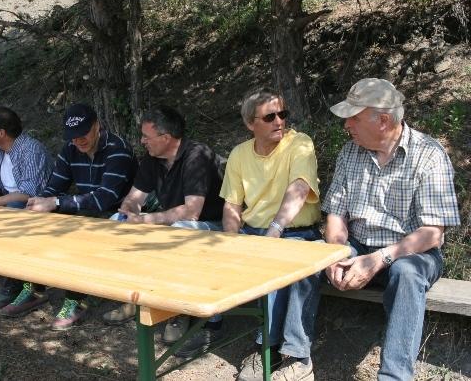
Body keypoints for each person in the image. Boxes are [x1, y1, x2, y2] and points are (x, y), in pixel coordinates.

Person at [238, 78, 460, 381]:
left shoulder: (429, 154)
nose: (346, 125)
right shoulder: (350, 152)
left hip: (409, 252)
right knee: (308, 258)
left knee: (407, 274)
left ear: (383, 120)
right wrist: (335, 253)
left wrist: (380, 258)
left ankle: (394, 376)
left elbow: (433, 232)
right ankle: (297, 358)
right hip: (356, 246)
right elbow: (336, 215)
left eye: (353, 118)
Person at [175, 88, 322, 360]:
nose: (279, 121)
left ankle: (266, 349)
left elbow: (300, 189)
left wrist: (274, 231)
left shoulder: (300, 143)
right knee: (199, 246)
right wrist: (232, 241)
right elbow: (232, 206)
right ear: (249, 124)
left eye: (283, 114)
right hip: (251, 231)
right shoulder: (240, 154)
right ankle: (209, 324)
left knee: (274, 266)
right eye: (269, 117)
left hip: (294, 233)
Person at [101, 105, 225, 344]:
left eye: (146, 136)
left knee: (179, 232)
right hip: (178, 222)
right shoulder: (153, 158)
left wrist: (144, 220)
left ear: (166, 138)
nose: (142, 141)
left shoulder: (196, 155)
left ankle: (178, 311)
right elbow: (136, 196)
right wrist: (128, 210)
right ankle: (135, 298)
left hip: (214, 225)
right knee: (116, 223)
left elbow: (192, 212)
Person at [22, 103, 137, 328]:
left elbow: (104, 199)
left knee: (78, 234)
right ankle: (33, 289)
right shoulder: (70, 148)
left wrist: (55, 202)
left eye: (83, 133)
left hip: (119, 215)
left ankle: (75, 300)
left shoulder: (118, 149)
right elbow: (55, 186)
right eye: (72, 136)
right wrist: (39, 202)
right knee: (36, 221)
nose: (78, 140)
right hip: (87, 211)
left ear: (97, 126)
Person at [0, 107, 54, 310]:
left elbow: (28, 194)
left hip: (36, 206)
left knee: (14, 207)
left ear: (1, 133)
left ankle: (14, 282)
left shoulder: (31, 150)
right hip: (6, 203)